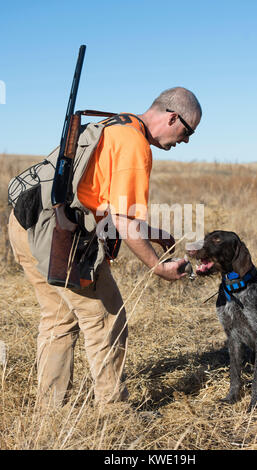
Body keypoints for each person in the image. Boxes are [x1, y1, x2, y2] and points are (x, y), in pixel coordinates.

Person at [8, 86, 202, 407]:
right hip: (60, 236)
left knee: (58, 319)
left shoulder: (114, 124)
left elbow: (105, 203)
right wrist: (159, 268)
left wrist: (152, 232)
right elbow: (123, 222)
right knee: (107, 319)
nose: (186, 140)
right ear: (172, 117)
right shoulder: (134, 145)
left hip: (28, 221)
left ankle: (49, 411)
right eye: (188, 131)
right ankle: (114, 413)